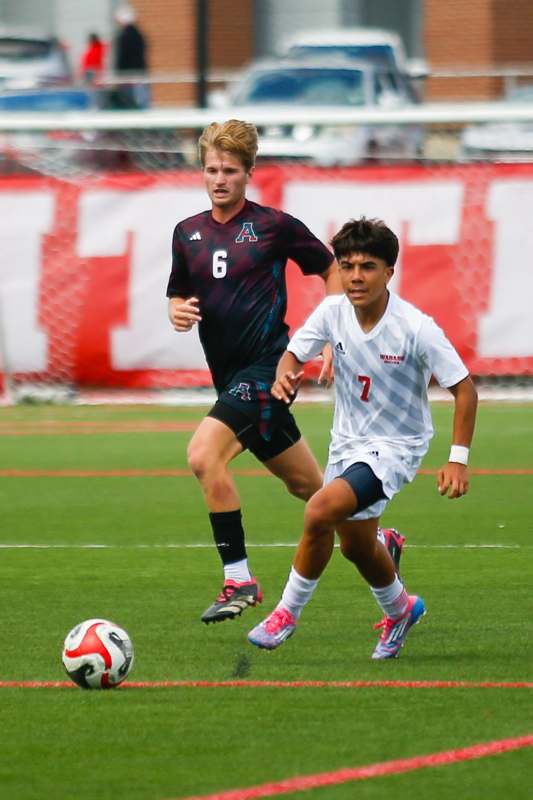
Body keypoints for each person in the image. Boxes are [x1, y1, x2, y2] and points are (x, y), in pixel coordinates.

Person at [166, 120, 406, 625]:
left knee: (203, 454)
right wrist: (176, 311)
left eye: (230, 170)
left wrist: (337, 336)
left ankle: (239, 579)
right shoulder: (186, 233)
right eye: (211, 169)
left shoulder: (273, 226)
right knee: (311, 488)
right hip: (231, 379)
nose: (219, 179)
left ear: (249, 172)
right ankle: (377, 538)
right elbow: (177, 292)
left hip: (269, 370)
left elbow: (331, 269)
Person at [248, 216, 478, 659]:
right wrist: (285, 377)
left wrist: (457, 458)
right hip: (347, 443)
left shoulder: (415, 327)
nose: (355, 276)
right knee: (355, 546)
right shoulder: (333, 311)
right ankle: (401, 609)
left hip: (396, 447)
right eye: (347, 265)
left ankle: (286, 613)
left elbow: (464, 389)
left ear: (389, 272)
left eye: (368, 266)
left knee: (320, 510)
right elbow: (293, 354)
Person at [112, 5, 149, 109]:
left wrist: (118, 77)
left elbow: (121, 59)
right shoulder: (140, 35)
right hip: (140, 75)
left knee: (129, 105)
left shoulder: (123, 37)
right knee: (142, 104)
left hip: (127, 77)